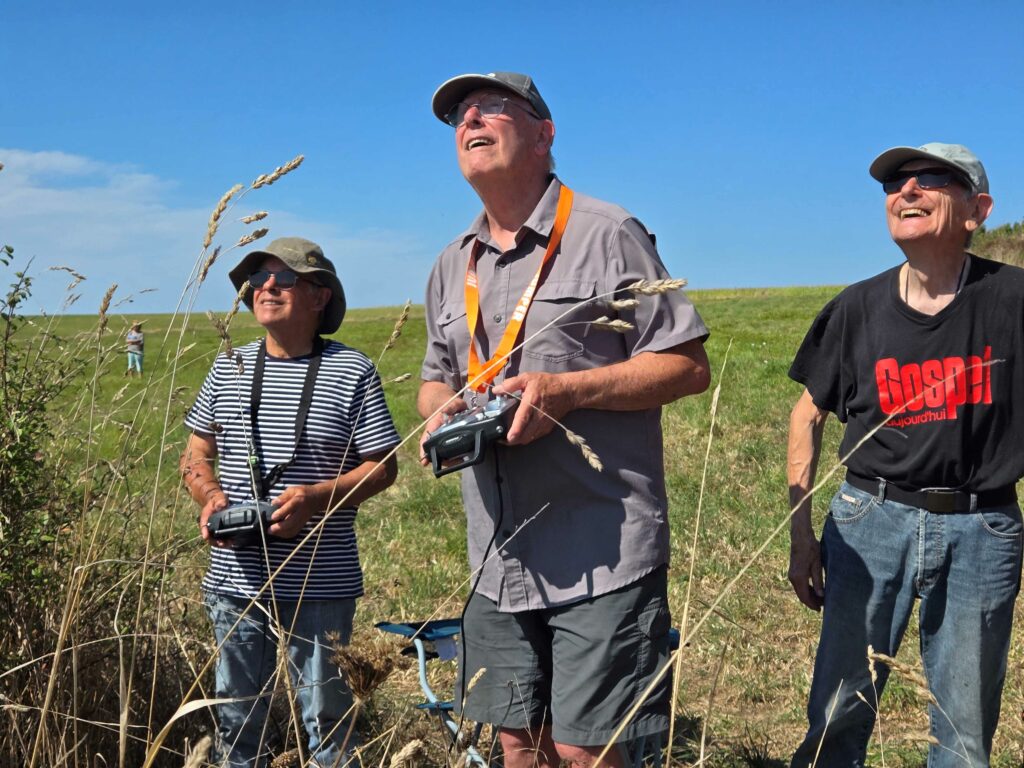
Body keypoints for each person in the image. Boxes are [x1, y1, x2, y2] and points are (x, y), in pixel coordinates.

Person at [417, 72, 710, 768]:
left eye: (492, 107)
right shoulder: (451, 263)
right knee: (518, 744)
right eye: (460, 115)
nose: (470, 120)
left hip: (600, 548)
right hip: (497, 556)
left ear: (545, 134)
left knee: (585, 750)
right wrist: (442, 409)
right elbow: (434, 380)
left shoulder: (608, 233)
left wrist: (570, 393)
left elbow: (687, 365)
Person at [787, 143, 1022, 766]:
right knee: (835, 718)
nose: (906, 191)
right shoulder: (857, 307)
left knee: (964, 734)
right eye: (895, 183)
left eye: (931, 179)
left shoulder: (1014, 299)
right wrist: (801, 539)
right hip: (871, 520)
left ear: (978, 209)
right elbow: (806, 415)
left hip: (982, 528)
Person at [181, 237, 400, 767]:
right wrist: (210, 495)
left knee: (329, 723)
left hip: (320, 579)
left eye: (285, 279)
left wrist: (315, 498)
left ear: (320, 296)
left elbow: (383, 466)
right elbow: (195, 452)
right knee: (236, 721)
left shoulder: (353, 371)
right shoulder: (228, 365)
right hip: (235, 578)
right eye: (257, 280)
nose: (266, 288)